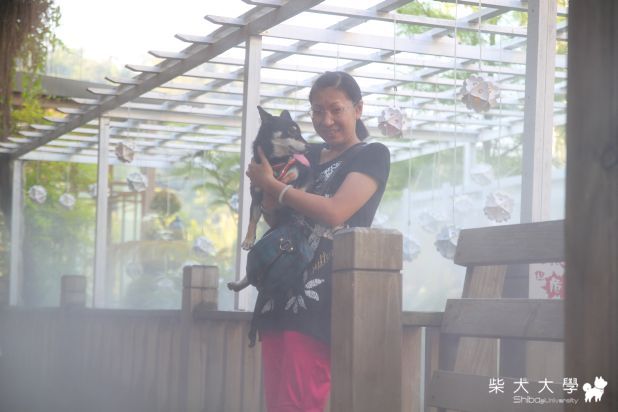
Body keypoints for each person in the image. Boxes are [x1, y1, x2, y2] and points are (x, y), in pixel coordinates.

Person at [246, 71, 390, 412]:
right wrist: (267, 194)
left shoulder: (371, 155)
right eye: (316, 111)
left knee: (300, 402)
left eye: (336, 109)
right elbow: (278, 221)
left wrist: (274, 186)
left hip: (318, 300)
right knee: (278, 403)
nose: (326, 120)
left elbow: (336, 212)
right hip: (277, 293)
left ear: (358, 109)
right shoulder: (305, 153)